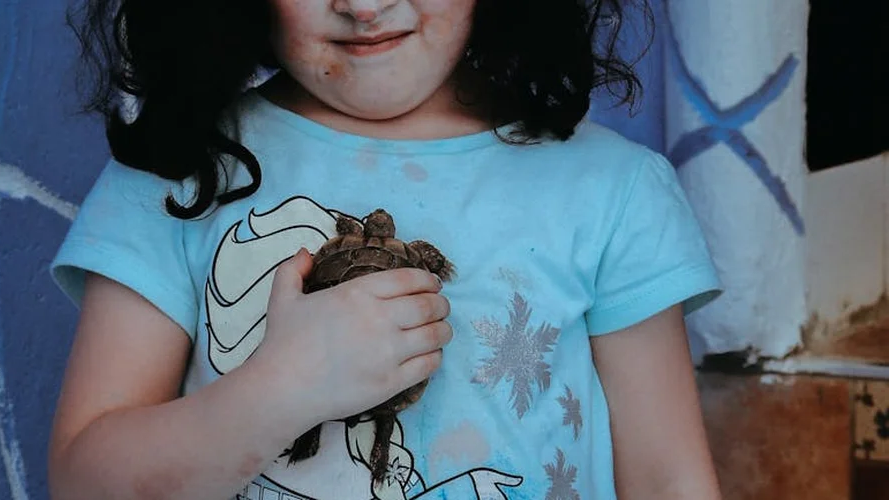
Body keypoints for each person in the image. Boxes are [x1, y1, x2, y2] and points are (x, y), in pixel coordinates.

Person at [48, 0, 724, 498]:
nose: (364, 7)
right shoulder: (180, 172)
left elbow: (669, 480)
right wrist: (281, 389)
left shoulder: (611, 188)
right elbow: (84, 484)